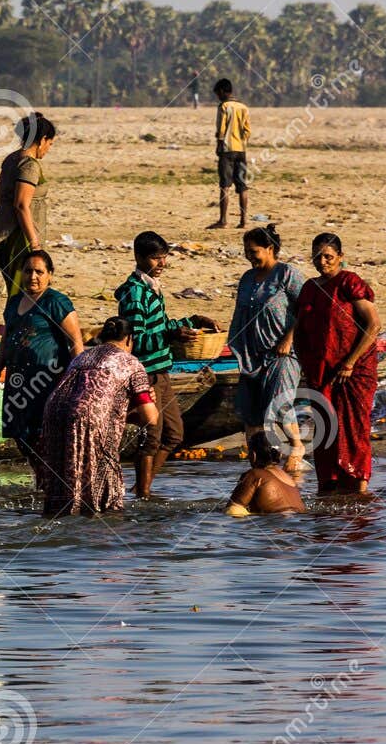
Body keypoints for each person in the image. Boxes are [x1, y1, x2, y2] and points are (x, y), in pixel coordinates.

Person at [116, 231, 221, 497]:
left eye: (164, 258)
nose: (161, 263)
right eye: (155, 258)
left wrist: (193, 321)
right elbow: (136, 340)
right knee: (151, 437)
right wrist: (169, 335)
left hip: (162, 372)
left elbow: (162, 326)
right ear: (139, 257)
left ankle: (142, 488)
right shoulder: (135, 295)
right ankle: (143, 494)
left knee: (174, 435)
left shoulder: (152, 288)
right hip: (145, 374)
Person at [38, 317, 159, 517]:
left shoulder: (81, 357)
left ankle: (62, 519)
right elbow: (151, 418)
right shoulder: (132, 363)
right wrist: (148, 399)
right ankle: (99, 522)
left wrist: (123, 411)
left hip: (54, 412)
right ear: (130, 339)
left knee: (62, 476)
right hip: (90, 417)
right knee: (104, 482)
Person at [293, 233, 381, 496]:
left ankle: (359, 486)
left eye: (328, 256)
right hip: (321, 370)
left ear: (340, 257)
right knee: (326, 428)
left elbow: (373, 324)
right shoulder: (309, 287)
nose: (323, 262)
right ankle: (329, 485)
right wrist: (303, 364)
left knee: (353, 427)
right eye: (318, 256)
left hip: (353, 370)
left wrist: (350, 362)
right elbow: (300, 329)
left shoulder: (349, 282)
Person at [0, 249, 83, 463]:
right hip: (18, 381)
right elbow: (7, 339)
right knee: (21, 435)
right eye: (28, 271)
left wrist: (79, 380)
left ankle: (49, 485)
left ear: (50, 274)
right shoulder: (14, 302)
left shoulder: (56, 302)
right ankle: (41, 481)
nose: (33, 276)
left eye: (39, 272)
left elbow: (76, 342)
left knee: (45, 435)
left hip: (48, 382)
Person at [229, 224, 306, 469]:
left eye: (254, 251)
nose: (249, 256)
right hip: (251, 354)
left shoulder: (286, 274)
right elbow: (240, 313)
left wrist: (288, 339)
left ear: (270, 248)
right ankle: (257, 459)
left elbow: (307, 308)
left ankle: (297, 445)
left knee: (280, 405)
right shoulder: (247, 278)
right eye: (246, 251)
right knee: (250, 411)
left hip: (282, 353)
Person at [0, 113, 56, 298]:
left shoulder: (12, 159)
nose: (49, 148)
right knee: (25, 291)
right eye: (50, 143)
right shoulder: (29, 166)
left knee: (15, 287)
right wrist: (34, 242)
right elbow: (21, 205)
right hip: (22, 237)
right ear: (42, 140)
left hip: (9, 234)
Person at [209, 78, 250, 230]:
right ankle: (244, 221)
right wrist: (241, 143)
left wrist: (219, 145)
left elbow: (221, 129)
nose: (218, 97)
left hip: (227, 150)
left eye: (218, 94)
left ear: (221, 91)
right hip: (241, 150)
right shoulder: (243, 107)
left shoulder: (224, 106)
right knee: (242, 187)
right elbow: (247, 130)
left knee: (225, 186)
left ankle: (223, 221)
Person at [225, 441, 306, 517]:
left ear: (253, 455)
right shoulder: (289, 478)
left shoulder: (254, 474)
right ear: (280, 455)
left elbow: (233, 509)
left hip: (273, 526)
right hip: (297, 522)